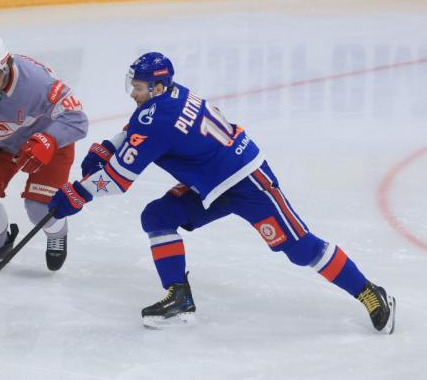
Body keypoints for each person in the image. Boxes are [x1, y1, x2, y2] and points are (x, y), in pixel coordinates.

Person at [49, 51, 396, 333]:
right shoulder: (171, 95)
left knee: (299, 247)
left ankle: (369, 291)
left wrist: (77, 194)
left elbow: (117, 180)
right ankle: (179, 297)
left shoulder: (157, 118)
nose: (132, 93)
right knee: (157, 216)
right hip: (212, 184)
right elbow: (137, 128)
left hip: (247, 181)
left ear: (157, 87)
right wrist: (110, 147)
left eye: (138, 87)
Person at [0, 36, 88, 270]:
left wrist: (48, 140)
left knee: (39, 209)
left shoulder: (38, 83)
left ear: (6, 67)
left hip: (47, 144)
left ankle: (57, 234)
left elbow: (78, 120)